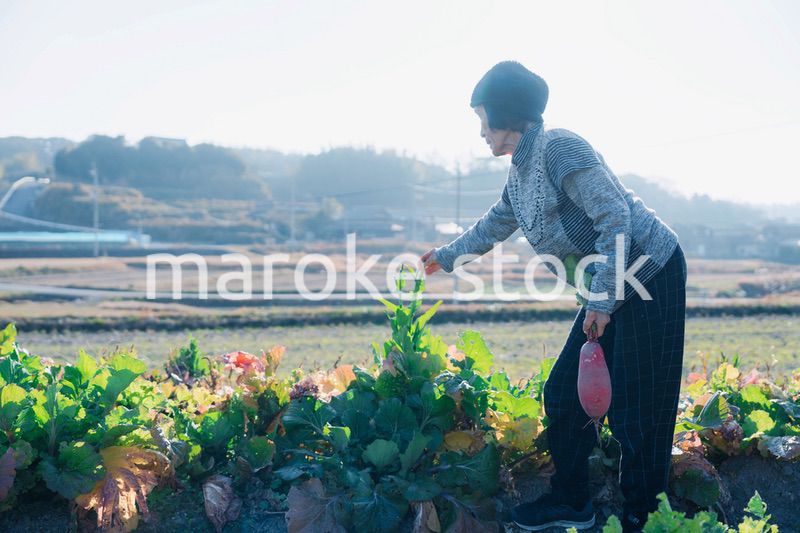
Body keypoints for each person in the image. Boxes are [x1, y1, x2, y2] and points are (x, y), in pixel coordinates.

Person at [421, 61, 687, 532]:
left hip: (649, 271)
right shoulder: (521, 173)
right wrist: (446, 256)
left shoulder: (560, 147)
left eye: (484, 118)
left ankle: (643, 517)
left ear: (508, 115)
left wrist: (601, 302)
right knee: (564, 392)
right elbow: (495, 224)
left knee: (640, 408)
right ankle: (570, 501)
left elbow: (616, 219)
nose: (481, 131)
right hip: (607, 287)